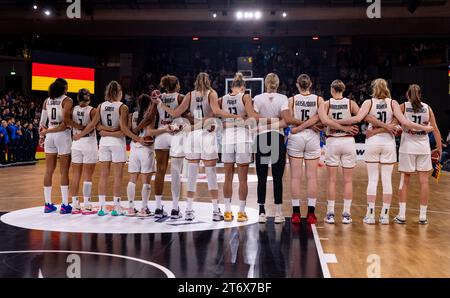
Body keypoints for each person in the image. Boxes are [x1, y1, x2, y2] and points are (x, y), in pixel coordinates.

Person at [335, 78, 433, 224]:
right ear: (386, 88)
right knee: (387, 181)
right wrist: (425, 128)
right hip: (388, 142)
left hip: (373, 142)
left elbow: (358, 118)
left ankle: (370, 214)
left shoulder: (369, 102)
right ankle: (385, 216)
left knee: (373, 180)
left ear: (373, 89)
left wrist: (334, 122)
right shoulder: (392, 103)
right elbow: (405, 122)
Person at [155, 72, 241, 221]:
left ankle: (188, 210)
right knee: (211, 174)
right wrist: (235, 116)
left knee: (192, 175)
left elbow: (175, 112)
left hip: (193, 134)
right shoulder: (211, 93)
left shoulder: (189, 94)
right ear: (209, 81)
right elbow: (217, 111)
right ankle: (215, 211)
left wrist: (162, 105)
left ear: (196, 82)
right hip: (207, 133)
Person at [74, 81, 148, 216]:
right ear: (119, 93)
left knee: (103, 175)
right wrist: (137, 139)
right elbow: (123, 130)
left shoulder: (101, 105)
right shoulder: (122, 107)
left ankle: (102, 208)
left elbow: (94, 126)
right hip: (117, 144)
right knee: (118, 176)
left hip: (103, 142)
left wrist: (85, 134)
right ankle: (116, 207)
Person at [395, 84, 441, 224]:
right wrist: (439, 148)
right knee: (424, 182)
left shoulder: (403, 106)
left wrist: (396, 128)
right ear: (420, 94)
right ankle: (423, 216)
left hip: (407, 146)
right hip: (423, 147)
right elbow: (435, 130)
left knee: (405, 181)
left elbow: (394, 124)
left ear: (407, 94)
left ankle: (402, 215)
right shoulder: (428, 108)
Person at [39, 78, 82, 213]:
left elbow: (41, 123)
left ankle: (47, 204)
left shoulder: (47, 101)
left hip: (49, 136)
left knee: (48, 171)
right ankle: (64, 204)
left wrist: (43, 135)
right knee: (64, 171)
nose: (67, 89)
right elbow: (65, 124)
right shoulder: (67, 100)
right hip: (62, 135)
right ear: (63, 88)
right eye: (67, 87)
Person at [220, 72, 258, 222]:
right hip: (242, 137)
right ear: (243, 87)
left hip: (227, 136)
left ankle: (227, 211)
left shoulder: (222, 99)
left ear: (231, 86)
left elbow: (213, 111)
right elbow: (252, 116)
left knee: (227, 177)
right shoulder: (245, 97)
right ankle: (241, 212)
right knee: (243, 179)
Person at [126, 94, 171, 217]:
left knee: (132, 179)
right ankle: (144, 209)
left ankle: (130, 208)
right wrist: (165, 129)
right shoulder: (150, 116)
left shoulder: (132, 115)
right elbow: (151, 132)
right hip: (146, 148)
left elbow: (130, 131)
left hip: (134, 147)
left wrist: (136, 137)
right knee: (146, 181)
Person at [322, 80, 360, 224]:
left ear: (332, 89)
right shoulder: (351, 103)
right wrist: (348, 123)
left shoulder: (327, 104)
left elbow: (324, 121)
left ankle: (330, 213)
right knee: (348, 180)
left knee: (331, 180)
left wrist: (335, 124)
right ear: (343, 90)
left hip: (333, 140)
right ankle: (346, 214)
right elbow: (361, 116)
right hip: (348, 141)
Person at [151, 75, 187, 219]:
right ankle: (174, 208)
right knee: (176, 171)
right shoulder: (181, 97)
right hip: (175, 133)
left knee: (159, 171)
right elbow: (189, 114)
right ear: (177, 85)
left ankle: (158, 207)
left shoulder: (159, 97)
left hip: (161, 133)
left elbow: (152, 116)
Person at [68, 89, 98, 215]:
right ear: (89, 97)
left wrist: (77, 133)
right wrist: (81, 134)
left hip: (76, 143)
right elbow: (91, 126)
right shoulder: (93, 110)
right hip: (88, 142)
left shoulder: (73, 109)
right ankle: (87, 205)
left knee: (75, 175)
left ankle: (75, 205)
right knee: (88, 176)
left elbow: (68, 121)